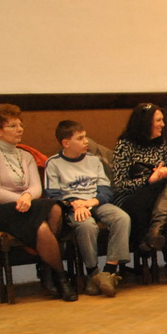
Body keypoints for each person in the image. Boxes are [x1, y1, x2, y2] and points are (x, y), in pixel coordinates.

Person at [0, 103, 76, 301]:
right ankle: (59, 276)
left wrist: (27, 197)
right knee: (51, 208)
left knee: (47, 220)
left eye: (20, 125)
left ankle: (50, 272)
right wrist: (23, 199)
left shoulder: (26, 155)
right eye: (13, 126)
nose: (19, 129)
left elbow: (36, 188)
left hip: (26, 207)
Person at [43, 120, 131, 296]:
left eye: (85, 137)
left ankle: (108, 272)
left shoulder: (94, 160)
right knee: (86, 225)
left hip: (95, 202)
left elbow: (106, 190)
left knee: (122, 218)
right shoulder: (53, 163)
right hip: (73, 207)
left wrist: (92, 202)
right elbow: (52, 195)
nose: (86, 142)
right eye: (80, 138)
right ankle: (93, 273)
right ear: (66, 143)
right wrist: (74, 203)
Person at [111, 103, 167, 286]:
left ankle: (155, 233)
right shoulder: (124, 145)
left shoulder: (162, 144)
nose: (163, 124)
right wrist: (150, 179)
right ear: (145, 123)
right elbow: (119, 185)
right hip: (132, 200)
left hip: (160, 199)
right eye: (158, 120)